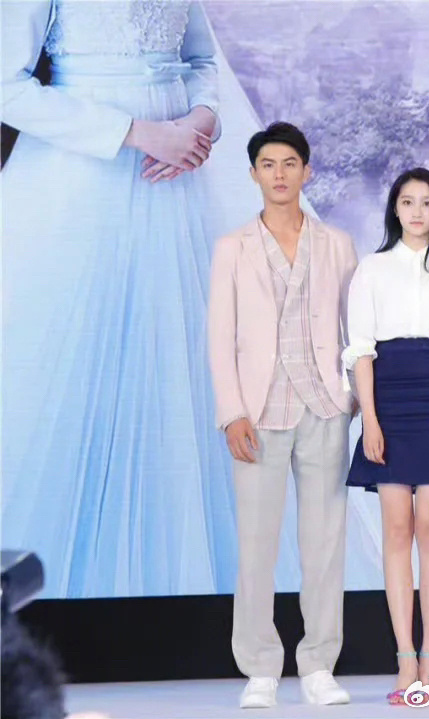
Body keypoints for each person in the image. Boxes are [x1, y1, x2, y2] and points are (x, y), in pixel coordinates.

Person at [1, 0, 242, 599]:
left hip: (178, 185)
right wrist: (138, 133)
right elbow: (7, 87)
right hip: (80, 179)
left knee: (180, 371)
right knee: (70, 372)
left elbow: (201, 59)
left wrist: (202, 120)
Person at [207, 122, 356, 708]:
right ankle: (261, 667)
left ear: (306, 172)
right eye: (268, 164)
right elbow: (220, 337)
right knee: (256, 543)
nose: (279, 174)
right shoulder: (233, 247)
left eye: (290, 163)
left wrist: (353, 400)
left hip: (325, 407)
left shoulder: (336, 244)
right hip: (259, 411)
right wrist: (231, 412)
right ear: (253, 174)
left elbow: (355, 332)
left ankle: (318, 664)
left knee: (325, 543)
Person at [341, 167, 429, 704]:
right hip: (389, 398)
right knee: (397, 528)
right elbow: (361, 350)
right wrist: (371, 420)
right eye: (407, 202)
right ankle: (404, 659)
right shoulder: (372, 269)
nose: (417, 211)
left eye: (427, 202)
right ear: (395, 209)